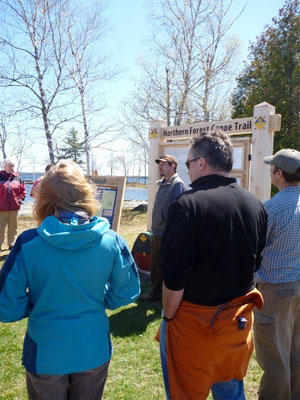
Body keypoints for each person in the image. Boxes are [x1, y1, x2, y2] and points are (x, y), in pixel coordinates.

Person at [0, 160, 140, 400]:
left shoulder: (29, 243)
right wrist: (99, 296)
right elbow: (127, 292)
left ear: (44, 197)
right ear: (85, 193)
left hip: (45, 351)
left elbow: (6, 307)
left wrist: (34, 303)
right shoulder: (112, 240)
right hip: (93, 348)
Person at [157, 132, 267, 400]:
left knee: (185, 392)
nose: (189, 168)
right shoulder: (255, 205)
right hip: (236, 322)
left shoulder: (186, 205)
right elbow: (256, 262)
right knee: (230, 391)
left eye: (189, 163)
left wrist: (168, 318)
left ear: (202, 163)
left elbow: (174, 277)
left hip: (194, 323)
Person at [254, 148, 300, 400]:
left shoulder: (270, 208)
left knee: (273, 355)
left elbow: (254, 250)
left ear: (279, 173)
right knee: (296, 349)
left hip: (275, 290)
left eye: (272, 168)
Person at [146, 154, 186, 301]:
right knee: (155, 264)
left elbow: (180, 211)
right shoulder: (162, 183)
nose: (160, 167)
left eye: (163, 164)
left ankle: (166, 297)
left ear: (172, 166)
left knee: (166, 266)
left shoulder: (177, 185)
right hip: (157, 231)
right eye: (159, 164)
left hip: (167, 233)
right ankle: (156, 293)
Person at [0, 158, 26, 251]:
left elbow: (23, 191)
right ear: (4, 166)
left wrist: (20, 200)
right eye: (10, 166)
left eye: (13, 166)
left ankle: (12, 244)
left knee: (13, 227)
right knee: (0, 227)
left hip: (14, 208)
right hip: (1, 208)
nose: (12, 168)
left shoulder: (17, 178)